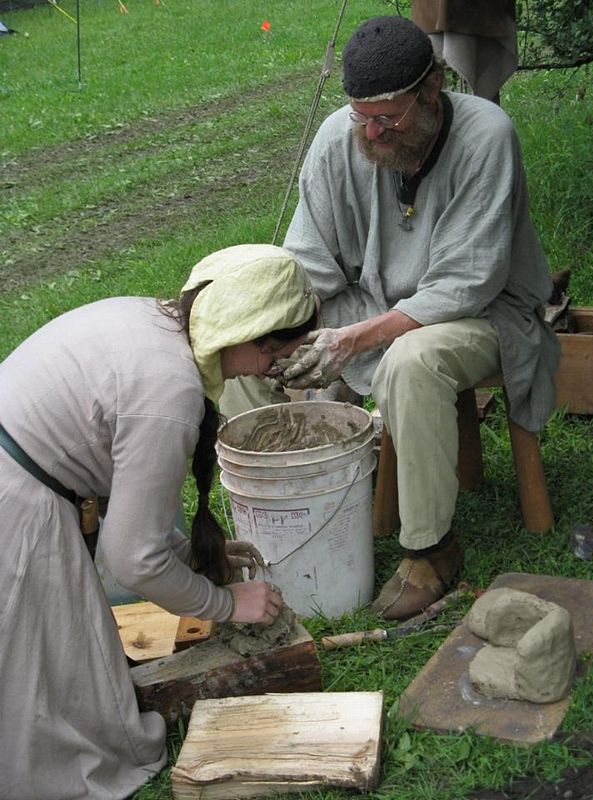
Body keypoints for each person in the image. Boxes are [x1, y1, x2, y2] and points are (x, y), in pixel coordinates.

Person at [220, 16, 560, 622]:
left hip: (482, 314)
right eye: (362, 117)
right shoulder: (340, 137)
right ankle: (282, 515)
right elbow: (309, 261)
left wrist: (352, 340)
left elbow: (466, 281)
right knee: (248, 347)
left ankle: (431, 551)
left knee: (412, 360)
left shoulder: (486, 136)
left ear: (432, 89)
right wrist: (274, 330)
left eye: (388, 118)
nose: (372, 132)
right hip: (370, 304)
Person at [0, 243, 316, 800]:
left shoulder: (149, 318)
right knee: (50, 689)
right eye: (274, 358)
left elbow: (127, 504)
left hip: (22, 473)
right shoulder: (170, 392)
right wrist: (228, 603)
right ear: (252, 336)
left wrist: (186, 554)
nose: (270, 371)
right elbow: (132, 561)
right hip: (17, 503)